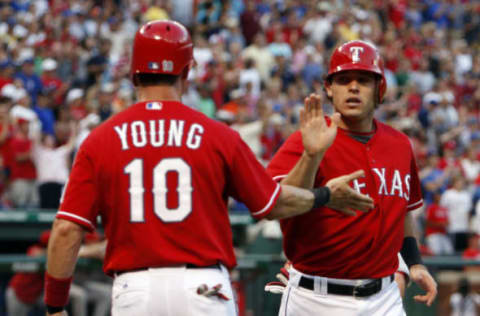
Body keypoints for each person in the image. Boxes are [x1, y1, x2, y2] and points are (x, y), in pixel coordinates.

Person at [44, 21, 373, 316]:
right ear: (186, 72)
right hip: (202, 287)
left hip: (136, 290)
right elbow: (271, 204)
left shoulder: (100, 140)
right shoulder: (218, 135)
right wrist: (324, 195)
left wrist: (55, 305)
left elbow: (66, 231)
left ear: (134, 73)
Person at [266, 40, 437, 315]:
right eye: (344, 79)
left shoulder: (400, 145)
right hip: (316, 297)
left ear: (379, 89)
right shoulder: (308, 138)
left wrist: (414, 263)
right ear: (329, 89)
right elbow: (276, 205)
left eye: (363, 80)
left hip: (384, 298)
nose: (353, 87)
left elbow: (403, 211)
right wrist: (312, 156)